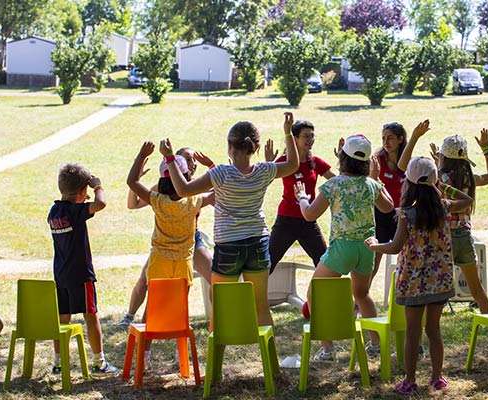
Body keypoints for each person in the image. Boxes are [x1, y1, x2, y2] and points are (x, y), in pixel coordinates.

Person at [164, 112, 300, 328]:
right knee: (261, 307)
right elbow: (293, 164)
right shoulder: (265, 170)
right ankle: (270, 360)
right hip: (258, 243)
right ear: (256, 147)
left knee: (220, 304)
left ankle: (215, 360)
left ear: (230, 146)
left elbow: (182, 189)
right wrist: (287, 132)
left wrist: (170, 158)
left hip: (229, 246)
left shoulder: (221, 173)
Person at [365, 157, 473, 395]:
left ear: (409, 184)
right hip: (440, 279)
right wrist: (441, 185)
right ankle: (437, 377)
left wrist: (375, 246)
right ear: (434, 181)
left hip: (413, 281)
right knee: (434, 330)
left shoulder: (406, 214)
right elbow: (468, 200)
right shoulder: (444, 207)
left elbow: (395, 247)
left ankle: (410, 379)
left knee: (413, 331)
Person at [294, 134, 394, 361]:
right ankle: (376, 343)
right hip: (367, 249)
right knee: (362, 294)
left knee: (314, 293)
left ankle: (328, 348)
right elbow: (388, 208)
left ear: (342, 158)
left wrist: (301, 197)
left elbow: (309, 214)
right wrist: (377, 180)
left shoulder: (333, 184)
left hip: (341, 249)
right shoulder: (371, 185)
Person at [127, 142, 215, 370]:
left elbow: (132, 183)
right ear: (184, 177)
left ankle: (144, 358)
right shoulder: (194, 200)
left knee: (152, 309)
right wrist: (212, 166)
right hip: (183, 263)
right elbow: (219, 189)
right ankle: (181, 357)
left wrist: (140, 155)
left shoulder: (157, 200)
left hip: (159, 262)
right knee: (180, 309)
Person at [398, 122, 488, 322]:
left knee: (430, 291)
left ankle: (423, 333)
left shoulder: (439, 179)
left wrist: (416, 137)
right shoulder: (470, 177)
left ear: (443, 157)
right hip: (465, 237)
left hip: (443, 241)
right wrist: (486, 149)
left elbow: (403, 167)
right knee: (477, 290)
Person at [48, 163, 118, 376]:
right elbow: (101, 203)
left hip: (61, 275)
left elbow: (73, 211)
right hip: (81, 275)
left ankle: (59, 363)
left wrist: (79, 201)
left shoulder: (55, 211)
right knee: (91, 315)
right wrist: (97, 186)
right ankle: (99, 362)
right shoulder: (77, 211)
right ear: (82, 191)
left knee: (62, 319)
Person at [266, 119, 335, 273]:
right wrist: (268, 164)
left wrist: (344, 161)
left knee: (324, 263)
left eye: (312, 136)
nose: (310, 140)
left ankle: (319, 296)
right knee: (268, 263)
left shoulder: (316, 162)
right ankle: (256, 295)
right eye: (306, 136)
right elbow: (265, 182)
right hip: (286, 221)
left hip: (308, 221)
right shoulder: (284, 161)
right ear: (295, 138)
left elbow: (337, 181)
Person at [369, 122, 408, 285]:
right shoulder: (377, 160)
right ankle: (359, 300)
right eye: (383, 138)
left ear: (400, 139)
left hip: (402, 215)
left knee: (408, 258)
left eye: (390, 138)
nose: (386, 142)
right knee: (373, 262)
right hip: (380, 214)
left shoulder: (407, 162)